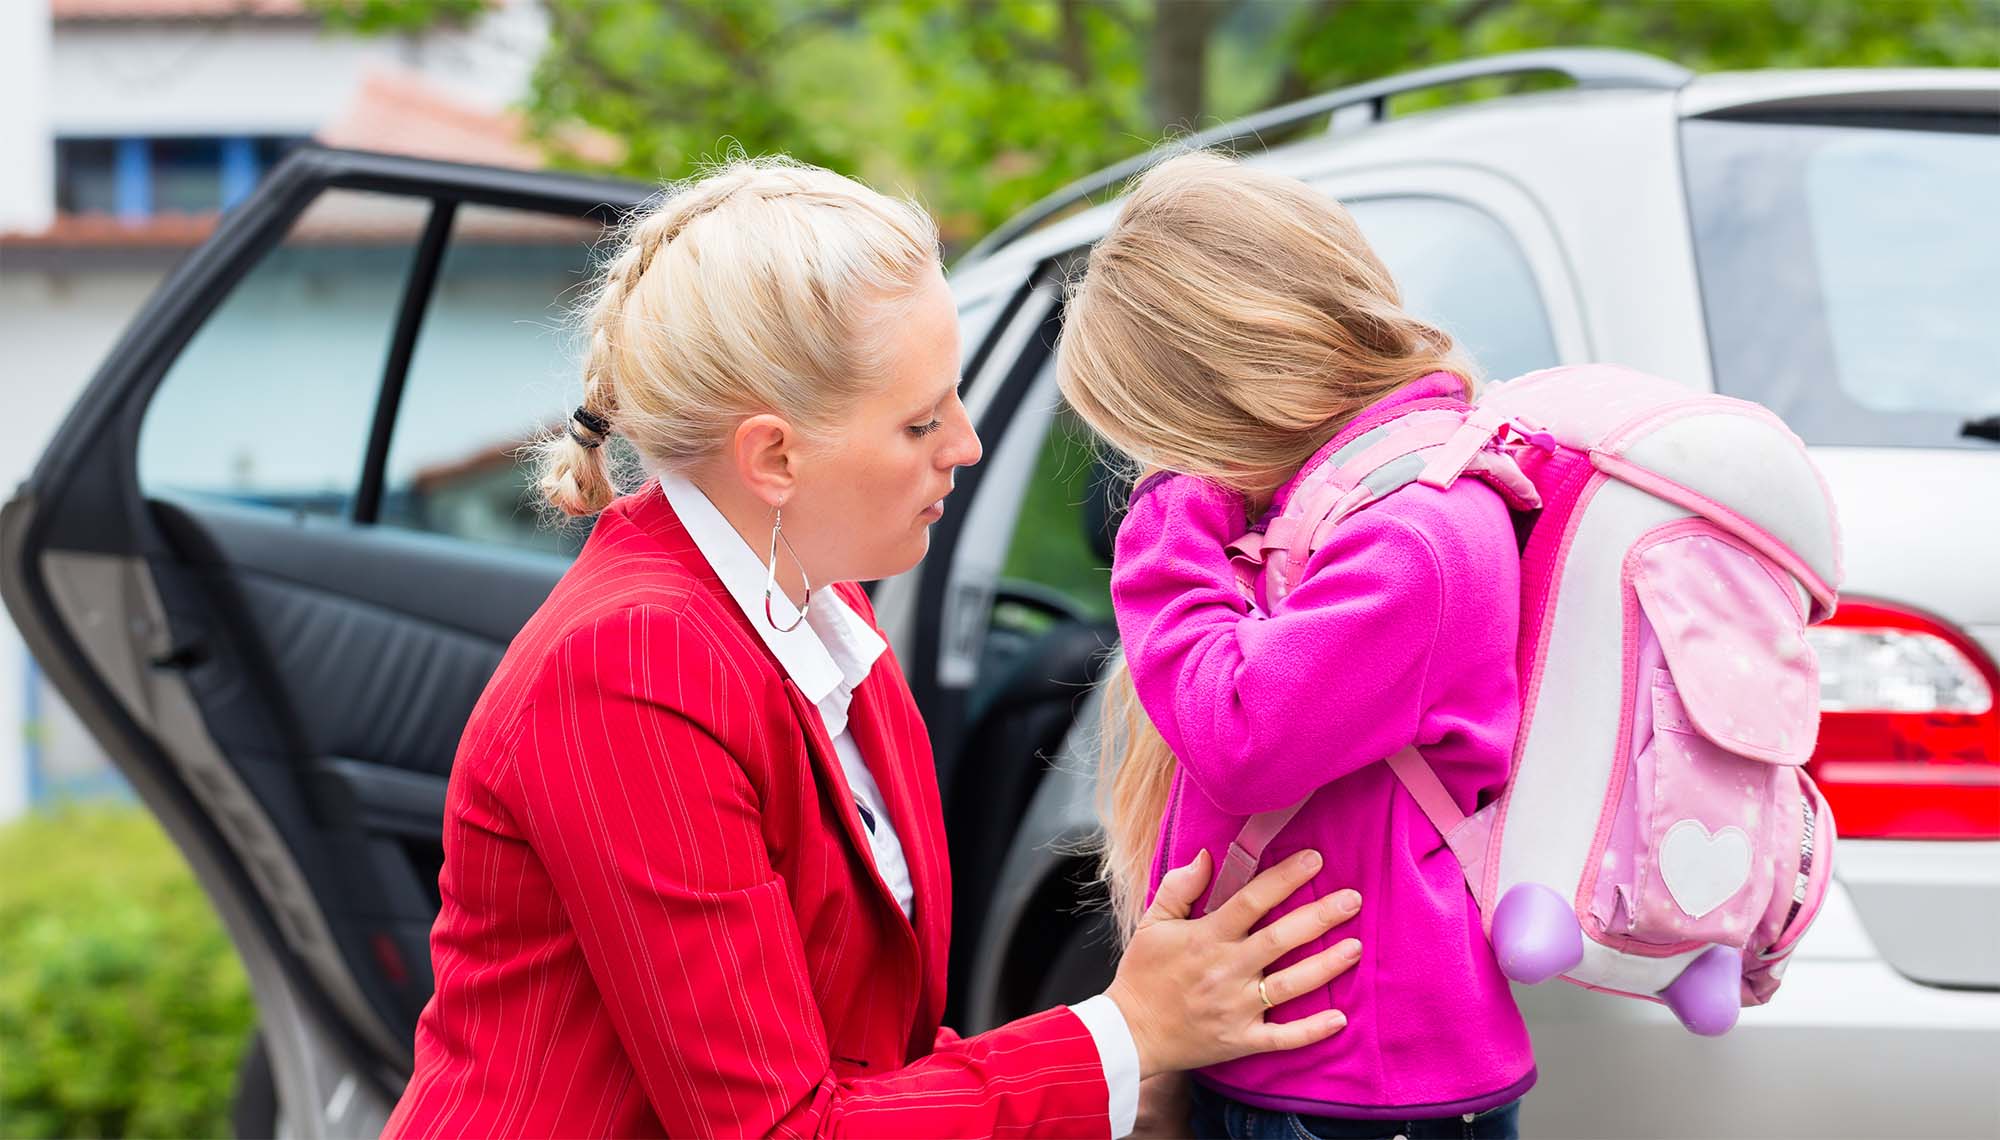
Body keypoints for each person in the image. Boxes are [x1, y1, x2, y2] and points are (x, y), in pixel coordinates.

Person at [382, 155, 1366, 1139]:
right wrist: (1122, 1036)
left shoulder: (828, 616)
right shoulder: (631, 668)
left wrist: (1129, 1068)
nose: (966, 446)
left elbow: (868, 1059)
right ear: (773, 455)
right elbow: (783, 1129)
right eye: (920, 420)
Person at [1056, 151, 1534, 1140]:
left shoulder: (1414, 533)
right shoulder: (1344, 515)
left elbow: (1239, 733)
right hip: (1302, 1061)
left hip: (1355, 1087)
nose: (1152, 466)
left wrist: (1166, 510)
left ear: (1211, 399)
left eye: (1154, 434)